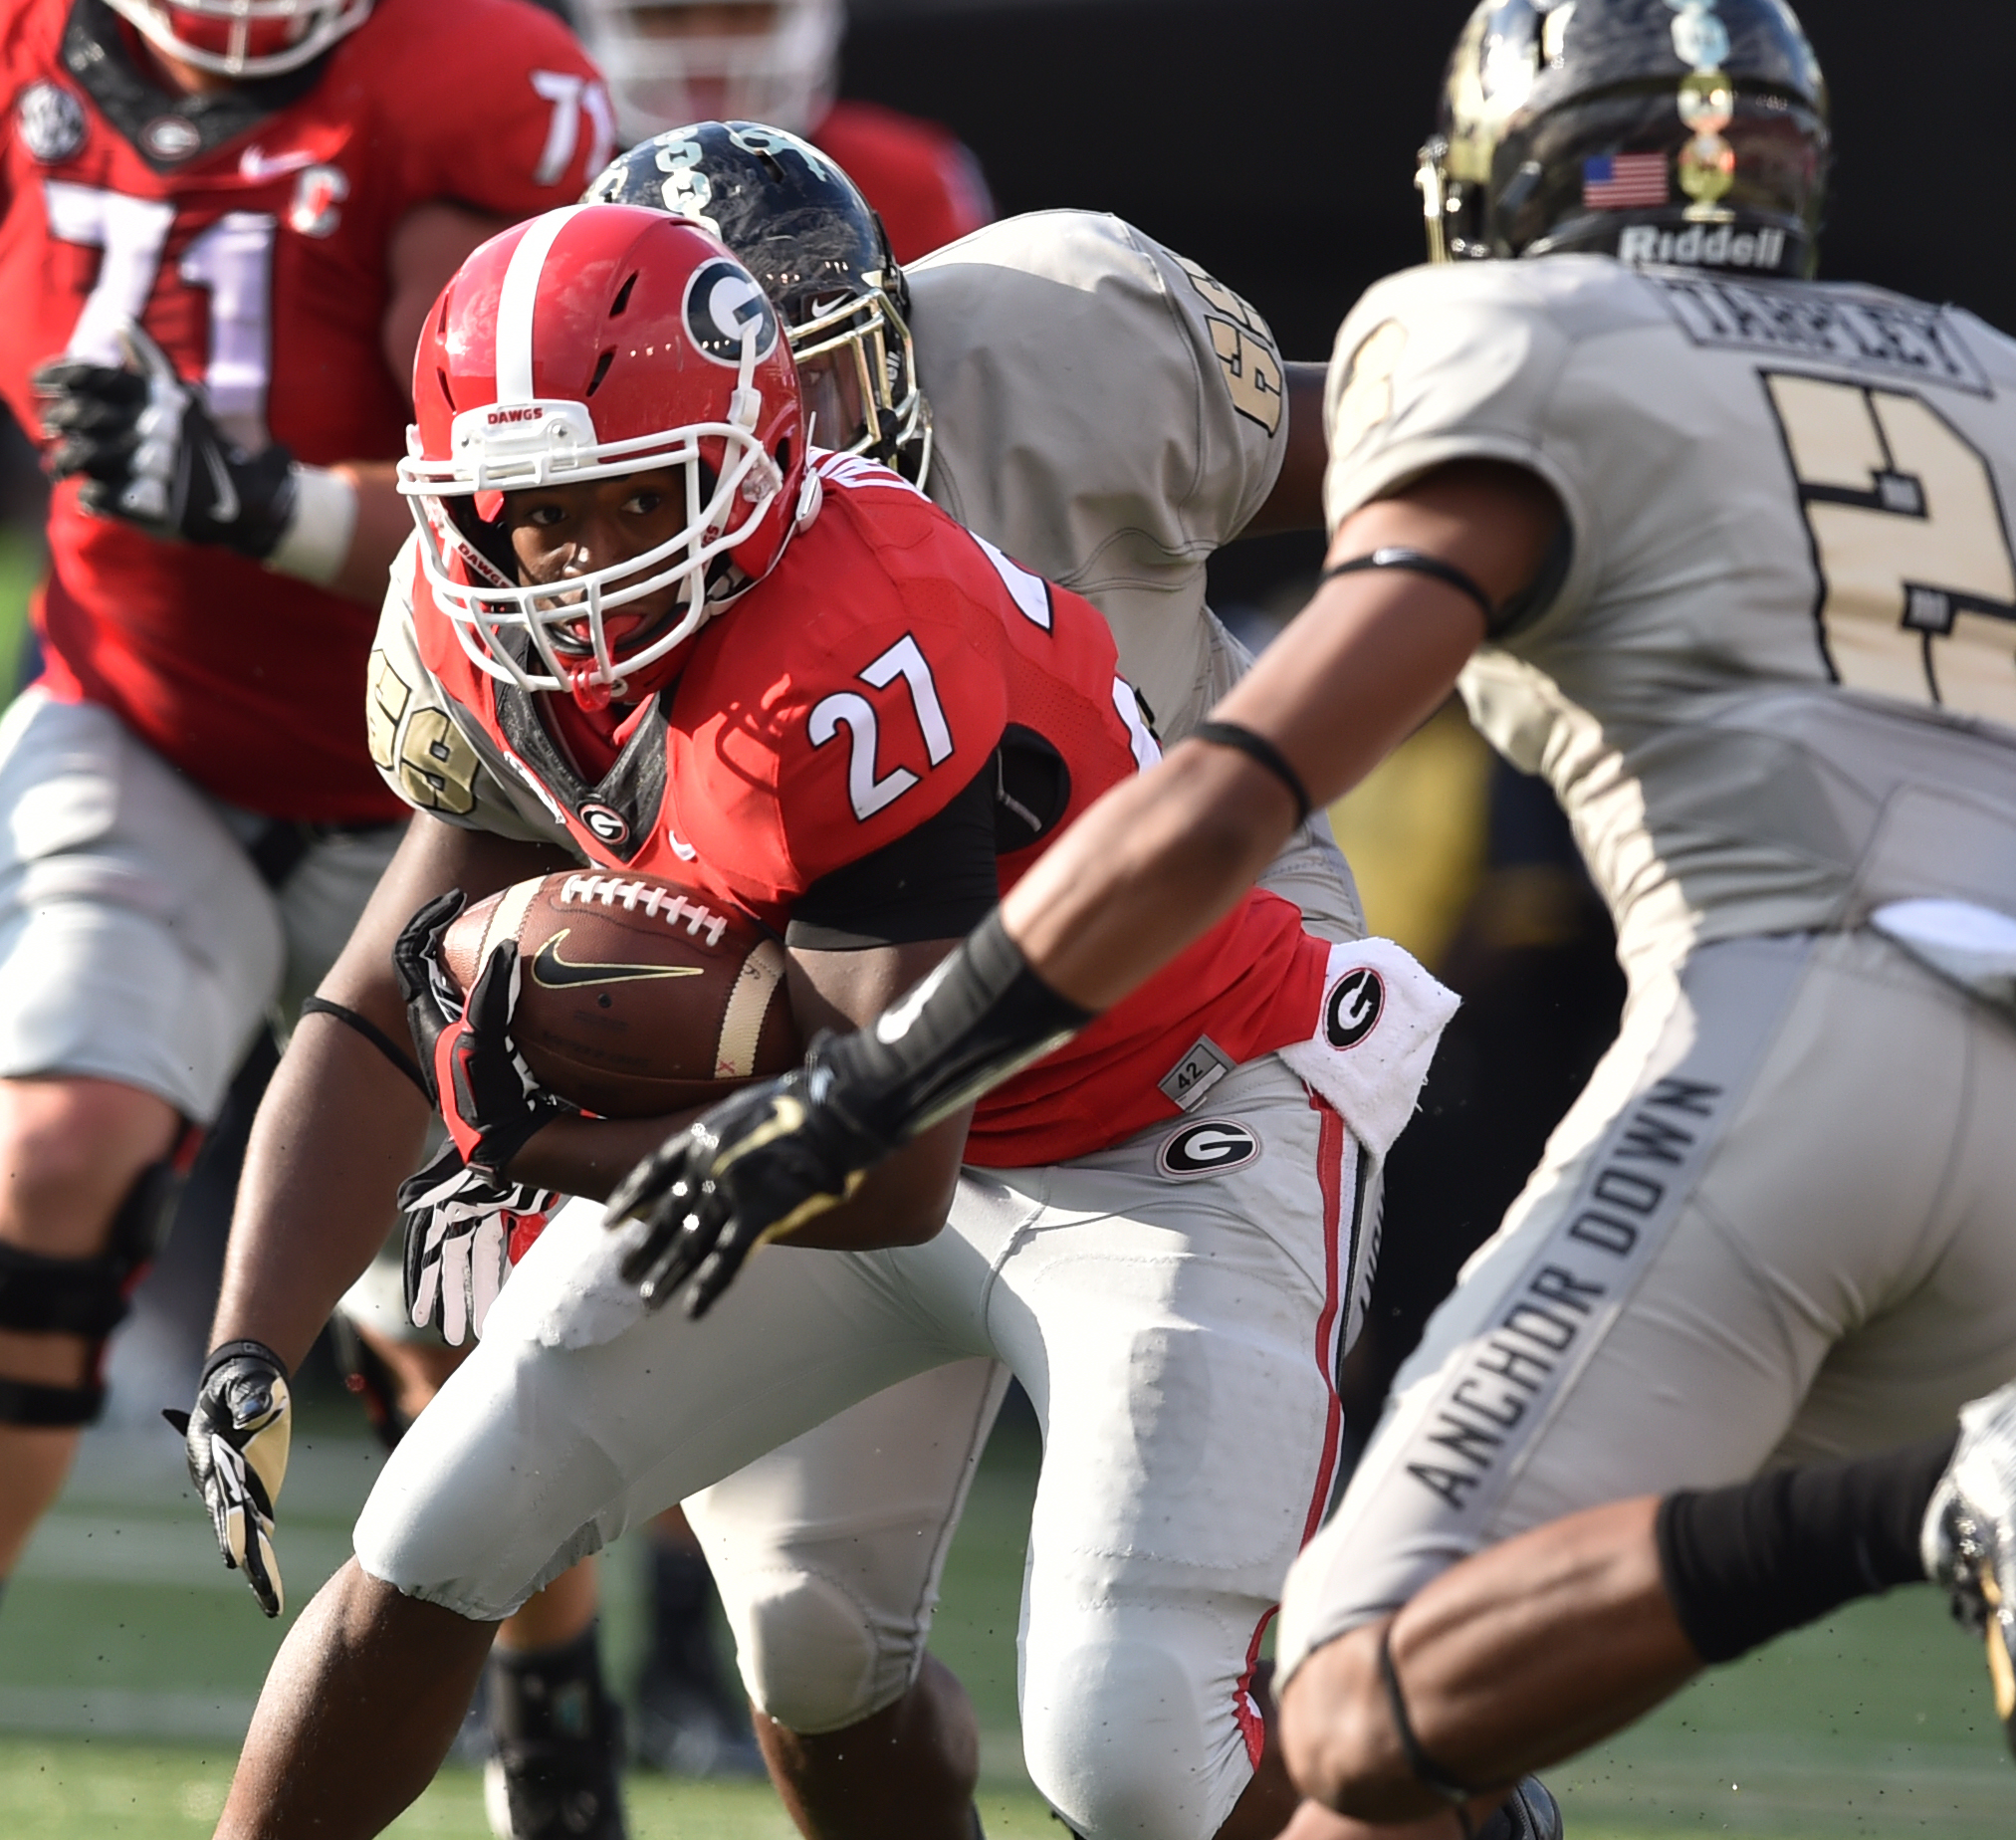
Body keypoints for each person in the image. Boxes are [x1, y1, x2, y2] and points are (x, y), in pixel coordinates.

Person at [597, 0, 2016, 1829]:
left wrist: (889, 1076)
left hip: (1782, 1062)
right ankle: (1937, 1505)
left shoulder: (1510, 337)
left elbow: (1233, 790)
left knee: (1343, 1694)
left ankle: (1935, 1498)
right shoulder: (2005, 382)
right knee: (1444, 1720)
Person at [203, 201, 1475, 1840]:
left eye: (622, 502)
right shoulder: (476, 631)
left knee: (1135, 1747)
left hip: (1165, 1119)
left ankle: (1472, 1808)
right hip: (838, 1118)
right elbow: (382, 992)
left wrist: (531, 1129)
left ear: (746, 456)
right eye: (526, 514)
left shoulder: (855, 635)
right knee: (495, 1538)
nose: (574, 563)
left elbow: (891, 1162)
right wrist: (252, 1328)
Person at [576, 120, 1379, 1835]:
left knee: (1152, 1716)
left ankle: (1429, 1779)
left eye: (827, 382)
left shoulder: (1069, 332)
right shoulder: (589, 536)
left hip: (1191, 1003)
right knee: (803, 1640)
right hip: (859, 1041)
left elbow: (1400, 466)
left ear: (897, 337)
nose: (781, 451)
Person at [0, 0, 608, 1592]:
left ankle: (546, 1723)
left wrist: (249, 496)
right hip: (142, 722)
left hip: (434, 786)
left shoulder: (469, 79)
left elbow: (511, 516)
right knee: (53, 1156)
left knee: (452, 1311)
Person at [570, 0, 991, 256]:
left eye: (742, 12)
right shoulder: (554, 182)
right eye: (670, 14)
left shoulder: (905, 175)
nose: (708, 45)